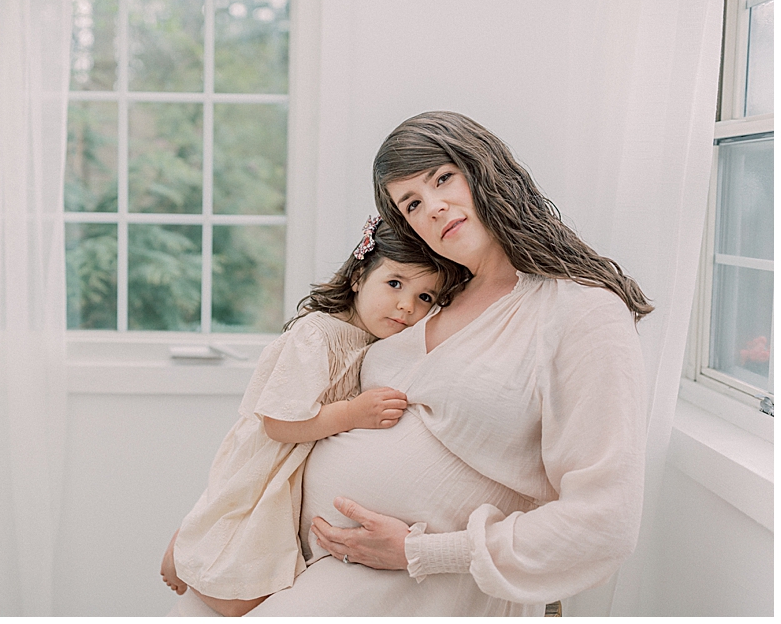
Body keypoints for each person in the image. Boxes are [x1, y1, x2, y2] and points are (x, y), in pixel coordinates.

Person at [171, 111, 651, 617]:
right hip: (299, 562)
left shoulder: (579, 311)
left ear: (487, 170)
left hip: (422, 585)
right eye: (412, 204)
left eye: (443, 178)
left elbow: (605, 521)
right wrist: (215, 523)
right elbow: (290, 422)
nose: (434, 208)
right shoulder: (429, 301)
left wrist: (418, 552)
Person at [160, 216, 452, 616]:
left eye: (425, 298)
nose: (406, 305)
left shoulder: (375, 342)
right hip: (268, 463)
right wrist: (351, 414)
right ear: (357, 278)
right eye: (395, 284)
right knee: (238, 599)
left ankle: (193, 541)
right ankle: (185, 549)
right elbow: (277, 423)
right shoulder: (317, 335)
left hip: (294, 469)